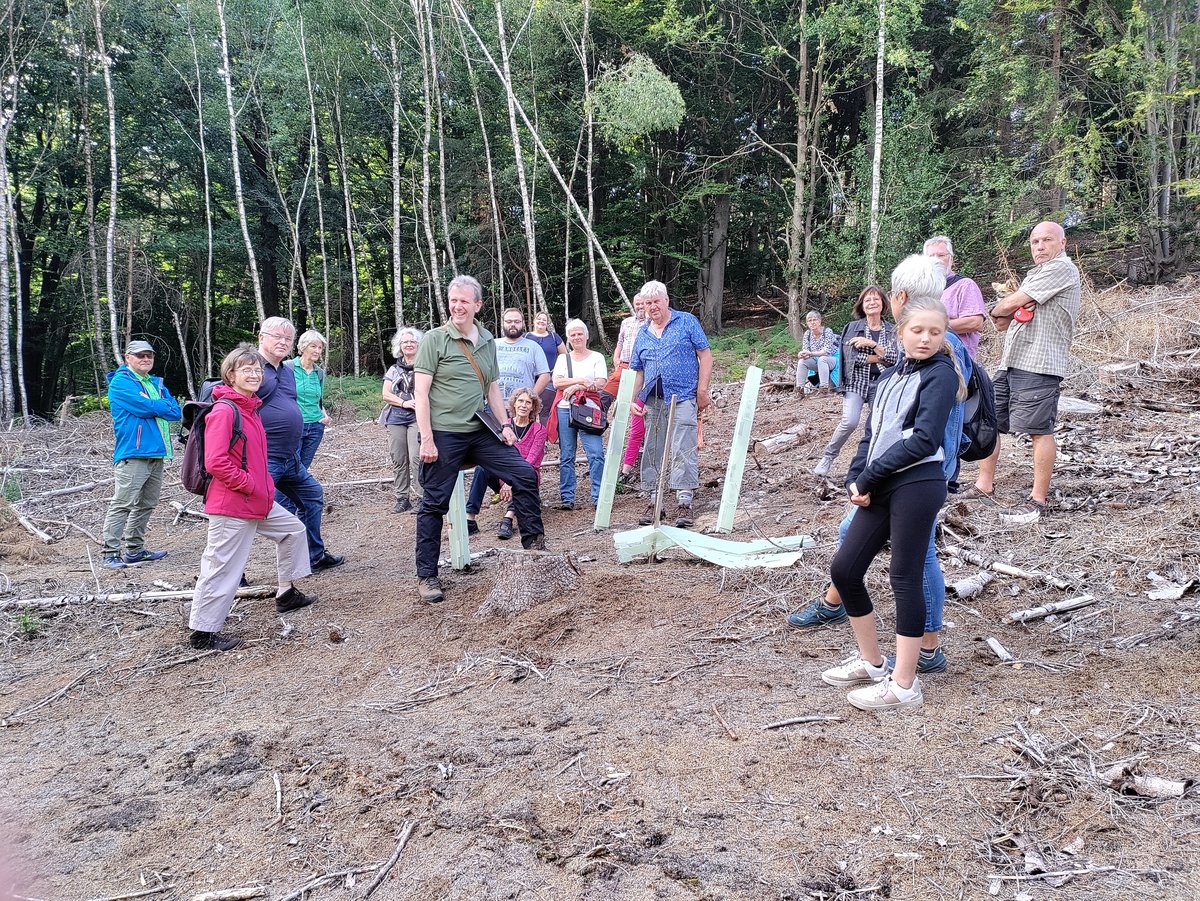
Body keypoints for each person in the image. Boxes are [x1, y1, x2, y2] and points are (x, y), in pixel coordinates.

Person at [788, 255, 969, 677]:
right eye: (916, 331)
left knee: (913, 563)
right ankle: (856, 622)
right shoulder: (899, 364)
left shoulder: (942, 357)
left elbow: (929, 431)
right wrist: (858, 474)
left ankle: (925, 650)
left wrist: (881, 474)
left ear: (898, 297)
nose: (925, 337)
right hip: (889, 473)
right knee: (855, 545)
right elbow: (879, 424)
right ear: (903, 330)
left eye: (932, 332)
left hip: (918, 472)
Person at [414, 275, 546, 604]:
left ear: (477, 305)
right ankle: (427, 574)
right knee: (434, 502)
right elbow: (421, 393)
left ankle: (535, 553)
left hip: (480, 430)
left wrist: (504, 424)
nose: (457, 306)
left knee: (525, 474)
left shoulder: (487, 339)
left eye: (464, 301)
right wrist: (427, 439)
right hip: (444, 432)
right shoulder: (434, 340)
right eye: (452, 300)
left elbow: (492, 388)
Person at [187, 344, 318, 651]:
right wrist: (249, 484)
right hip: (232, 504)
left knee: (293, 531)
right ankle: (202, 632)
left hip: (256, 500)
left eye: (258, 370)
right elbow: (216, 462)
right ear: (230, 375)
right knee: (222, 566)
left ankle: (286, 593)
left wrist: (263, 488)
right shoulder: (224, 411)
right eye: (246, 369)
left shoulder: (250, 408)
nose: (254, 374)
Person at [972, 221, 1081, 524]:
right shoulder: (1037, 273)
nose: (1040, 247)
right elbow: (1004, 321)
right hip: (1012, 361)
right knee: (991, 421)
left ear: (1063, 243)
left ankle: (1037, 501)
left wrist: (999, 308)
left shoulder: (1062, 268)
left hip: (1040, 363)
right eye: (1035, 242)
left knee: (1038, 430)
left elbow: (1009, 306)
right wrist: (1003, 310)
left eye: (1047, 240)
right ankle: (984, 484)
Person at [256, 317, 344, 572]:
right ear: (262, 337)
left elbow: (303, 400)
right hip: (264, 456)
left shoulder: (285, 371)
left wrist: (321, 415)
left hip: (289, 457)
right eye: (277, 337)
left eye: (287, 338)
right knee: (247, 512)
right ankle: (234, 573)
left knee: (312, 495)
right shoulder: (252, 365)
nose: (283, 341)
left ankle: (314, 556)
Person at [630, 280, 713, 528]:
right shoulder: (642, 333)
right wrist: (634, 400)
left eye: (656, 302)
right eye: (647, 304)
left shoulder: (686, 321)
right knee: (653, 449)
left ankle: (684, 502)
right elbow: (638, 371)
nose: (653, 307)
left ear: (666, 301)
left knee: (682, 447)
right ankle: (654, 500)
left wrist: (702, 390)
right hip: (654, 401)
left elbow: (706, 355)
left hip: (684, 396)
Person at [465, 308, 550, 532]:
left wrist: (528, 397)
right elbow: (480, 373)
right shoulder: (492, 344)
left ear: (523, 323)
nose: (513, 324)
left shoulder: (533, 346)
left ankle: (511, 510)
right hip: (495, 410)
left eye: (517, 321)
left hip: (522, 411)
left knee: (520, 459)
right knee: (487, 460)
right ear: (502, 323)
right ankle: (470, 515)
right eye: (508, 321)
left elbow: (544, 374)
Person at [101, 339, 182, 569]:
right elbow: (146, 408)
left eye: (149, 355)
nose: (146, 359)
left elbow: (175, 412)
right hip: (133, 453)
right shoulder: (120, 382)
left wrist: (155, 403)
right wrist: (157, 404)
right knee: (123, 503)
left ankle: (135, 551)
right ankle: (110, 553)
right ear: (128, 358)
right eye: (140, 355)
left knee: (147, 503)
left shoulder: (155, 382)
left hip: (157, 453)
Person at [812, 286, 898, 479]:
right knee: (849, 421)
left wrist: (871, 345)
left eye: (876, 299)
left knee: (878, 424)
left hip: (883, 382)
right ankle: (828, 456)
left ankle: (875, 465)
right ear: (862, 305)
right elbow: (850, 359)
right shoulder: (852, 328)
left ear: (883, 303)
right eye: (867, 300)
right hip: (856, 381)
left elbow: (896, 357)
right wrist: (879, 355)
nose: (872, 302)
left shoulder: (892, 329)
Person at [549, 319, 608, 510]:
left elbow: (600, 383)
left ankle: (599, 496)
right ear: (568, 338)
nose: (576, 337)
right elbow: (557, 383)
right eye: (572, 335)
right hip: (565, 409)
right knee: (567, 455)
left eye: (579, 333)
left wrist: (575, 385)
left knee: (596, 453)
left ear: (586, 335)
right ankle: (567, 497)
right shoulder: (562, 359)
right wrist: (583, 380)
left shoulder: (597, 357)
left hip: (589, 409)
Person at [485, 388, 549, 540]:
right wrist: (506, 479)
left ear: (533, 407)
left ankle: (508, 519)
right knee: (482, 469)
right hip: (504, 474)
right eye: (520, 401)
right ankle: (470, 517)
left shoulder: (539, 430)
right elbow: (496, 457)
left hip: (527, 473)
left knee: (523, 476)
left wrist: (510, 481)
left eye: (528, 402)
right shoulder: (503, 426)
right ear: (514, 404)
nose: (524, 405)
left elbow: (532, 460)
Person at [381, 327, 424, 513]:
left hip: (419, 417)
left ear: (418, 345)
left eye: (412, 342)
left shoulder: (425, 366)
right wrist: (404, 403)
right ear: (400, 346)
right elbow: (385, 394)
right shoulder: (393, 369)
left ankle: (423, 497)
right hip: (396, 417)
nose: (408, 344)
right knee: (398, 458)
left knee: (417, 457)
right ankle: (402, 498)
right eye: (405, 342)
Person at [607, 293, 648, 484]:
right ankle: (614, 463)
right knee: (611, 403)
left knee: (638, 423)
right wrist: (616, 359)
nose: (640, 306)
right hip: (624, 368)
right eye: (637, 304)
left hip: (645, 373)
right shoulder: (627, 323)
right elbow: (620, 343)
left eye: (643, 303)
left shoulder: (651, 324)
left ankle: (629, 467)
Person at [924, 235, 987, 359]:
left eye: (941, 255)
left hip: (957, 359)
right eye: (931, 256)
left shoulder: (965, 285)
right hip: (928, 359)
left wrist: (933, 327)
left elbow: (975, 322)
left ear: (951, 259)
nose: (936, 260)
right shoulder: (923, 289)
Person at [288, 329, 330, 469]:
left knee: (303, 469)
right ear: (303, 347)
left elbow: (319, 400)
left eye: (320, 348)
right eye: (313, 346)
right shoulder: (288, 368)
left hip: (315, 427)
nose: (317, 351)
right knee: (291, 467)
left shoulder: (319, 373)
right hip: (294, 425)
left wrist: (324, 416)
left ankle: (296, 492)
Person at [526, 311, 566, 426]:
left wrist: (559, 373)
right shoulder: (526, 337)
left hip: (548, 379)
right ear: (534, 321)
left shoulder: (554, 337)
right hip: (529, 378)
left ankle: (543, 439)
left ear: (547, 323)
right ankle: (527, 438)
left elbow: (564, 356)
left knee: (544, 411)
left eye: (544, 320)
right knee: (528, 409)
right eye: (539, 319)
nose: (541, 321)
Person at [796, 310, 838, 392]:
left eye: (814, 320)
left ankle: (824, 389)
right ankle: (799, 389)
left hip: (832, 359)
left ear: (819, 321)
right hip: (817, 360)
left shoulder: (827, 331)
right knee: (802, 361)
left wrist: (810, 353)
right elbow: (806, 351)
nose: (812, 322)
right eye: (809, 320)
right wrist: (802, 354)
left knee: (822, 359)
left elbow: (826, 352)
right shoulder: (807, 334)